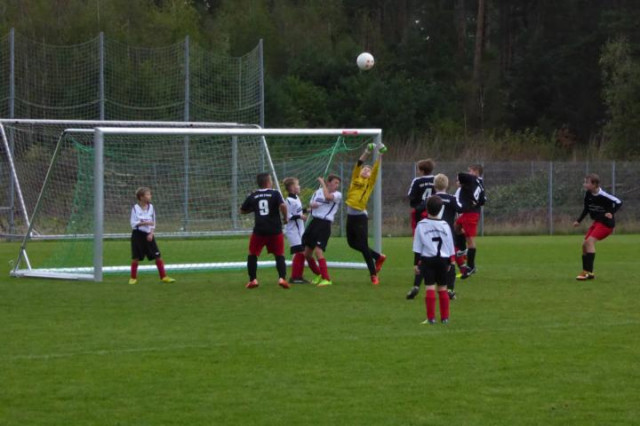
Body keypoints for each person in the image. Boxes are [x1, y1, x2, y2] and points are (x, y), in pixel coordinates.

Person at [407, 173, 460, 300]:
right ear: (447, 185)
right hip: (447, 234)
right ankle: (450, 289)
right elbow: (461, 208)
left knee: (424, 259)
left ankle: (416, 286)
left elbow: (418, 208)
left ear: (434, 185)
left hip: (430, 231)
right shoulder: (452, 198)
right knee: (451, 261)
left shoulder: (431, 198)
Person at [345, 143, 388, 285]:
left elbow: (376, 168)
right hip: (350, 215)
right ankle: (378, 256)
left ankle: (373, 275)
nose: (366, 171)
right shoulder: (355, 178)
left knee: (363, 246)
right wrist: (367, 151)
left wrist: (380, 154)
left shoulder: (369, 182)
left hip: (360, 217)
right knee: (351, 243)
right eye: (364, 169)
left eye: (368, 171)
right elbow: (359, 162)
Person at [240, 172, 290, 289]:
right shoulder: (275, 193)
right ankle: (282, 278)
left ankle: (253, 280)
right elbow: (283, 206)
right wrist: (285, 218)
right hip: (275, 229)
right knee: (279, 254)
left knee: (252, 254)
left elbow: (242, 210)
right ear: (268, 182)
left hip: (259, 229)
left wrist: (255, 209)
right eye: (271, 180)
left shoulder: (253, 195)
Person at [413, 196, 455, 324]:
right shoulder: (445, 225)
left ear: (427, 208)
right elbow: (449, 244)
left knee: (429, 288)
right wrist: (450, 261)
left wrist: (416, 263)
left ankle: (431, 318)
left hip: (428, 260)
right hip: (442, 260)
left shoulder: (421, 225)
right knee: (443, 288)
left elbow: (417, 246)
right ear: (441, 209)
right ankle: (445, 318)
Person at [573, 173, 623, 280]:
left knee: (589, 242)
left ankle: (589, 273)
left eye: (587, 182)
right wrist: (578, 220)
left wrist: (611, 212)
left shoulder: (603, 195)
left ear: (594, 184)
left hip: (606, 224)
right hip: (597, 222)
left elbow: (619, 202)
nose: (584, 184)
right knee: (584, 245)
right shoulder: (588, 194)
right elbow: (586, 208)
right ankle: (586, 272)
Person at [129, 187, 176, 285]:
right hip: (137, 235)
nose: (150, 196)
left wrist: (151, 233)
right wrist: (144, 223)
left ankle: (164, 277)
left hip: (148, 235)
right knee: (136, 257)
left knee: (157, 256)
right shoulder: (135, 208)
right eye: (148, 194)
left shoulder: (151, 207)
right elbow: (133, 223)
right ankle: (133, 278)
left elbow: (153, 223)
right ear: (141, 197)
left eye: (150, 194)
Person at [302, 174, 342, 286]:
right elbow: (312, 203)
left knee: (318, 251)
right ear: (329, 182)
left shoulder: (337, 194)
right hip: (314, 222)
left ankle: (327, 279)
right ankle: (319, 275)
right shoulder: (317, 192)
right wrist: (311, 205)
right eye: (335, 182)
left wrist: (322, 183)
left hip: (324, 224)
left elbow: (328, 197)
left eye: (338, 183)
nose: (337, 185)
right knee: (307, 254)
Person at [283, 177, 320, 283]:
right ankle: (295, 277)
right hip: (293, 231)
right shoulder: (288, 200)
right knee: (300, 253)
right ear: (292, 187)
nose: (299, 187)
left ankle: (297, 276)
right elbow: (288, 216)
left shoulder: (296, 198)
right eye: (297, 185)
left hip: (300, 230)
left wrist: (308, 210)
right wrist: (300, 217)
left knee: (302, 253)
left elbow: (298, 211)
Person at [454, 164, 486, 279]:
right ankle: (463, 250)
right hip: (470, 212)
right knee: (456, 227)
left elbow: (460, 175)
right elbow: (483, 201)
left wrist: (461, 181)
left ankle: (471, 266)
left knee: (470, 241)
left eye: (470, 170)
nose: (469, 173)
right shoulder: (480, 184)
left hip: (470, 213)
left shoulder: (472, 179)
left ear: (476, 171)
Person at [407, 158, 436, 235]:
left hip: (419, 210)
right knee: (432, 231)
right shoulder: (436, 179)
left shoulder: (417, 181)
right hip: (434, 210)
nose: (417, 171)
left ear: (422, 171)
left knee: (418, 230)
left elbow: (410, 195)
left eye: (418, 169)